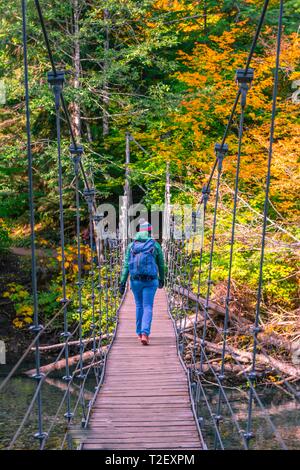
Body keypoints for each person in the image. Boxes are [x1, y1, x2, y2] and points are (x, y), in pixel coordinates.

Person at [119, 219, 165, 345]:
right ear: (150, 232)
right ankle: (145, 333)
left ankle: (139, 333)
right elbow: (161, 265)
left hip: (135, 281)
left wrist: (122, 282)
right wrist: (162, 279)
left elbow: (126, 266)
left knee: (139, 306)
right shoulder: (155, 245)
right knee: (148, 306)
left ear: (139, 231)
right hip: (151, 281)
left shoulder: (131, 245)